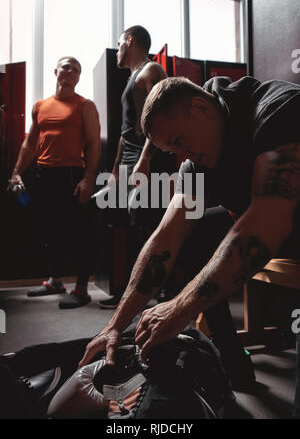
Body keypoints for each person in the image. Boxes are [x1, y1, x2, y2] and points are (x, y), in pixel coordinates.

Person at [79, 75, 300, 400]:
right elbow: (166, 237)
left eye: (180, 141)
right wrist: (115, 324)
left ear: (200, 108)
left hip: (280, 223)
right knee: (188, 237)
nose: (182, 156)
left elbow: (268, 223)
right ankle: (230, 357)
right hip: (274, 228)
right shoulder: (195, 165)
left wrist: (178, 309)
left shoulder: (277, 109)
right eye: (172, 149)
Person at [8, 56, 101, 309]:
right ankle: (55, 280)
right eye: (66, 67)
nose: (71, 72)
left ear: (78, 77)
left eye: (76, 69)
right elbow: (30, 143)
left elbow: (93, 143)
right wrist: (17, 172)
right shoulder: (40, 106)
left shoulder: (85, 106)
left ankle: (81, 290)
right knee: (50, 231)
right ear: (56, 71)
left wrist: (89, 179)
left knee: (79, 232)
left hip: (71, 175)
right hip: (44, 174)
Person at [97, 25, 169, 309]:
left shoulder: (151, 71)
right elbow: (127, 130)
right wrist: (116, 168)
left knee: (148, 221)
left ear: (130, 41)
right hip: (129, 158)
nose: (117, 50)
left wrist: (145, 160)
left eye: (119, 44)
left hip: (146, 157)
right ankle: (135, 291)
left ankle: (161, 290)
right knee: (131, 223)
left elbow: (159, 119)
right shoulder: (132, 77)